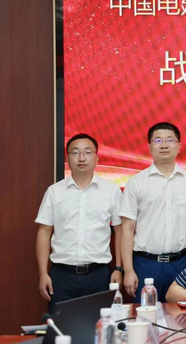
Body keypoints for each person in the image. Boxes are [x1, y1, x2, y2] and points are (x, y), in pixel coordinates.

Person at [35, 133, 123, 312]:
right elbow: (44, 232)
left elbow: (121, 231)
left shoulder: (112, 191)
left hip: (99, 275)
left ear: (97, 158)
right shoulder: (54, 192)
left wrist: (119, 269)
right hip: (62, 276)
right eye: (75, 153)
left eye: (87, 152)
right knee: (61, 327)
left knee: (100, 326)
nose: (81, 158)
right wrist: (43, 273)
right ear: (67, 158)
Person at [120, 122, 186, 302]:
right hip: (145, 264)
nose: (164, 145)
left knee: (182, 317)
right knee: (145, 315)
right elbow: (127, 228)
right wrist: (128, 270)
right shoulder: (136, 182)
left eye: (170, 140)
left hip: (181, 264)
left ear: (179, 146)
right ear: (149, 147)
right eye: (158, 140)